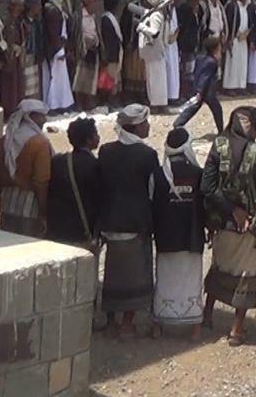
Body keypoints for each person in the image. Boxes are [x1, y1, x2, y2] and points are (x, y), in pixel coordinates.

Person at [201, 106, 256, 346]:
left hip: (223, 224)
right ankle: (236, 329)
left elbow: (207, 188)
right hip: (252, 229)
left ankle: (207, 315)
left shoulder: (219, 146)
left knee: (219, 267)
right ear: (253, 126)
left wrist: (229, 210)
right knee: (247, 275)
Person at [98, 104, 166, 339]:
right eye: (145, 123)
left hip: (110, 222)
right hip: (136, 224)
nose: (148, 126)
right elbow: (153, 190)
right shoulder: (147, 155)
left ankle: (110, 320)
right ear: (136, 127)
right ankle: (127, 323)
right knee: (135, 274)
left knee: (112, 272)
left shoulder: (106, 151)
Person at [153, 128, 207, 339]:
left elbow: (153, 204)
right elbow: (205, 206)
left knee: (165, 280)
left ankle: (158, 326)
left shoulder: (158, 174)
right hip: (192, 236)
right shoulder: (198, 173)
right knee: (192, 281)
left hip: (166, 237)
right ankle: (195, 329)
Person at [0, 100, 52, 236]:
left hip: (6, 205)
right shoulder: (40, 143)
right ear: (31, 117)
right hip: (30, 208)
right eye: (41, 116)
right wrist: (43, 212)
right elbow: (41, 183)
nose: (44, 120)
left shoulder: (5, 141)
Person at [45, 117, 101, 248]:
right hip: (83, 232)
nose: (98, 137)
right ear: (89, 140)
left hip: (58, 229)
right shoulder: (94, 165)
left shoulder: (58, 162)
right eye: (96, 134)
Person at [173, 36, 224, 134]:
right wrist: (200, 91)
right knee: (217, 109)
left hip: (198, 88)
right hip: (207, 91)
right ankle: (221, 130)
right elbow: (205, 77)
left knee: (193, 108)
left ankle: (178, 123)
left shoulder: (200, 58)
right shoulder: (212, 62)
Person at [41, 0, 75, 113]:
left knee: (60, 78)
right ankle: (53, 105)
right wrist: (59, 49)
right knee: (55, 78)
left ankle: (61, 104)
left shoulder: (58, 10)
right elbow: (53, 33)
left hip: (60, 47)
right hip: (55, 49)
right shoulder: (52, 11)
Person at [68, 0, 100, 112]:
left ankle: (88, 102)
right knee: (79, 79)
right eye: (95, 1)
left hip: (93, 51)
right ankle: (78, 103)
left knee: (90, 78)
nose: (96, 5)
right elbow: (72, 34)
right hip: (81, 51)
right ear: (88, 3)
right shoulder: (77, 17)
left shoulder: (94, 17)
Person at [222, 0, 252, 93]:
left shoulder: (246, 7)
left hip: (243, 39)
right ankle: (230, 87)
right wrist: (232, 36)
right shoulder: (232, 6)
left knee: (242, 63)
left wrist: (246, 33)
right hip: (234, 39)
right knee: (233, 64)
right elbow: (228, 23)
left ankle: (241, 86)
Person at [163, 0, 183, 103]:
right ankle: (166, 97)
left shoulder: (175, 9)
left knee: (173, 70)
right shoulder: (164, 9)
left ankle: (173, 96)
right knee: (167, 70)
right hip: (165, 44)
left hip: (173, 44)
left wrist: (175, 34)